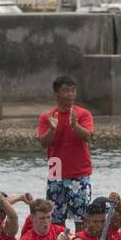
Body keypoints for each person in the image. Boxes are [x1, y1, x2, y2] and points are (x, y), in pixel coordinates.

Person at [37, 74, 95, 229]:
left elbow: (88, 137)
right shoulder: (47, 117)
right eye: (66, 90)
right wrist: (52, 129)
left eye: (73, 90)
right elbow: (44, 143)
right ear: (56, 94)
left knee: (81, 218)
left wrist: (75, 125)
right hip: (55, 170)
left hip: (79, 171)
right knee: (55, 220)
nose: (70, 94)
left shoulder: (83, 114)